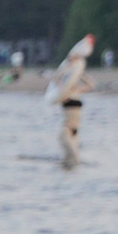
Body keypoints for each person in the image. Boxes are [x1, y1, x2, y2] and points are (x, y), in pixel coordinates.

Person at [47, 33, 95, 168]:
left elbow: (92, 85)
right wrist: (69, 66)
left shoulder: (74, 91)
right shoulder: (65, 91)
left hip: (72, 130)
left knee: (72, 159)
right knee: (69, 161)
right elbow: (57, 78)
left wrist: (79, 71)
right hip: (70, 129)